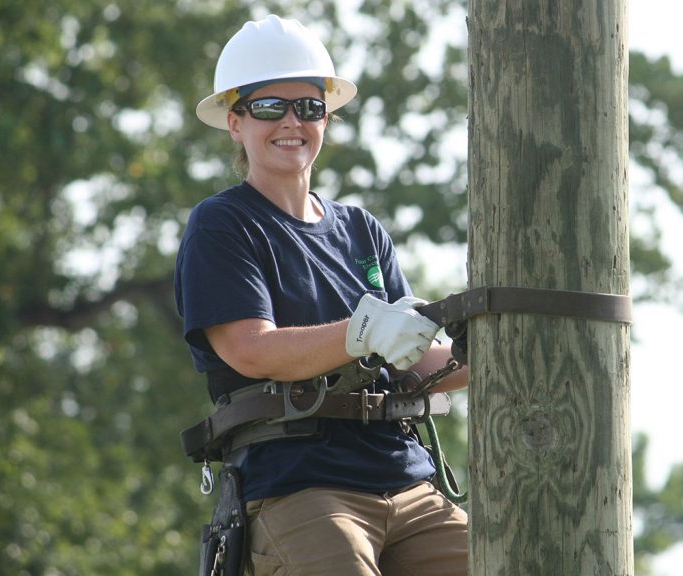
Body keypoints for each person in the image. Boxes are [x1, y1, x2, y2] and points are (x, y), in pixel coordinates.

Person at [174, 14, 469, 576]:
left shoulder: (361, 229)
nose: (293, 122)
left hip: (405, 478)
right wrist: (362, 331)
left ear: (326, 120)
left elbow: (411, 363)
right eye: (270, 107)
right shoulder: (223, 225)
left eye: (310, 108)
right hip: (298, 483)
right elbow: (251, 349)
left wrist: (492, 352)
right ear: (235, 122)